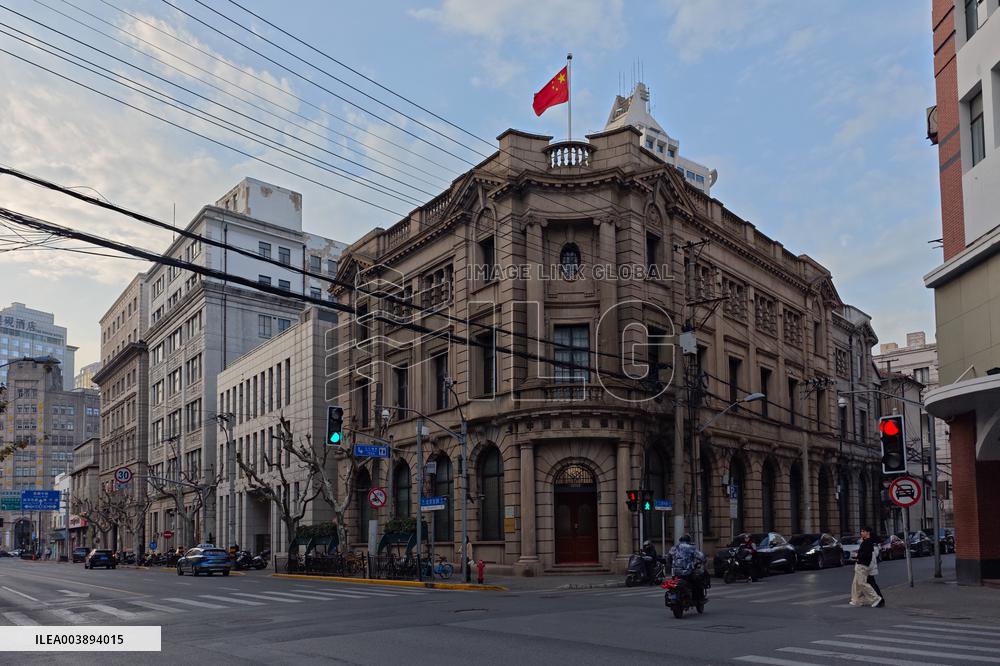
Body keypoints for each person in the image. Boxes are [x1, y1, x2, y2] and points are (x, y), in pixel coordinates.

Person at [668, 534, 708, 602]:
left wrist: (672, 565)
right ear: (689, 540)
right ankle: (699, 599)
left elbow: (669, 557)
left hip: (675, 573)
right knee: (697, 582)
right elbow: (701, 556)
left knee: (674, 583)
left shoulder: (674, 547)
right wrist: (704, 560)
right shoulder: (691, 547)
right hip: (687, 573)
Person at [851, 526, 882, 608]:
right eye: (861, 531)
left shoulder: (868, 542)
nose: (861, 533)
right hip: (861, 564)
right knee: (856, 584)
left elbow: (867, 555)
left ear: (868, 532)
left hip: (863, 565)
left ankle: (876, 598)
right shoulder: (865, 542)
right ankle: (856, 600)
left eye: (863, 531)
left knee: (862, 583)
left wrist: (857, 556)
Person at [867, 540, 885, 607]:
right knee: (871, 583)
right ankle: (879, 600)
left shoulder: (870, 548)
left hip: (868, 568)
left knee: (870, 584)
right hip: (870, 568)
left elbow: (869, 559)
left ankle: (879, 600)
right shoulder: (874, 548)